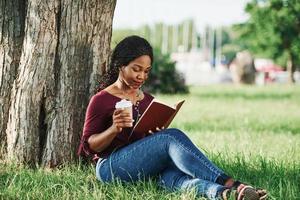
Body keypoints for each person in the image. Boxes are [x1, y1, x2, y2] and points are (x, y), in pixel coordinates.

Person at [78, 35, 267, 200]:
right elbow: (89, 146)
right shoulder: (102, 99)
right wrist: (114, 129)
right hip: (110, 167)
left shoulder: (148, 100)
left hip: (143, 166)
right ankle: (232, 183)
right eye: (136, 69)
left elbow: (144, 141)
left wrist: (153, 136)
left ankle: (225, 194)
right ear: (121, 65)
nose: (141, 76)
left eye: (146, 71)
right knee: (170, 137)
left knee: (176, 178)